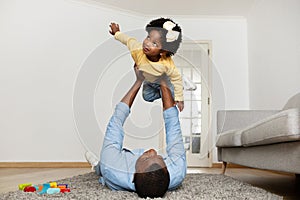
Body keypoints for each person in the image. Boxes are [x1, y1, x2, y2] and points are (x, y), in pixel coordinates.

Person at [85, 65, 186, 198]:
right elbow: (173, 125)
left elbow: (116, 122)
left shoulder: (112, 166)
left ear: (135, 173)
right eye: (160, 157)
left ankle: (95, 165)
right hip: (131, 164)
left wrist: (138, 81)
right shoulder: (177, 171)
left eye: (146, 158)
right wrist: (162, 80)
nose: (152, 151)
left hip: (111, 165)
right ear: (167, 170)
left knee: (101, 167)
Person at [109, 17, 184, 111]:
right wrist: (116, 33)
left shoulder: (167, 63)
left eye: (155, 44)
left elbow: (176, 78)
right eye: (148, 37)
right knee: (147, 97)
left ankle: (178, 88)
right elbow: (127, 40)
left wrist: (179, 99)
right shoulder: (137, 49)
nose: (147, 43)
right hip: (149, 81)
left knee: (172, 96)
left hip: (165, 79)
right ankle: (161, 91)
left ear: (163, 51)